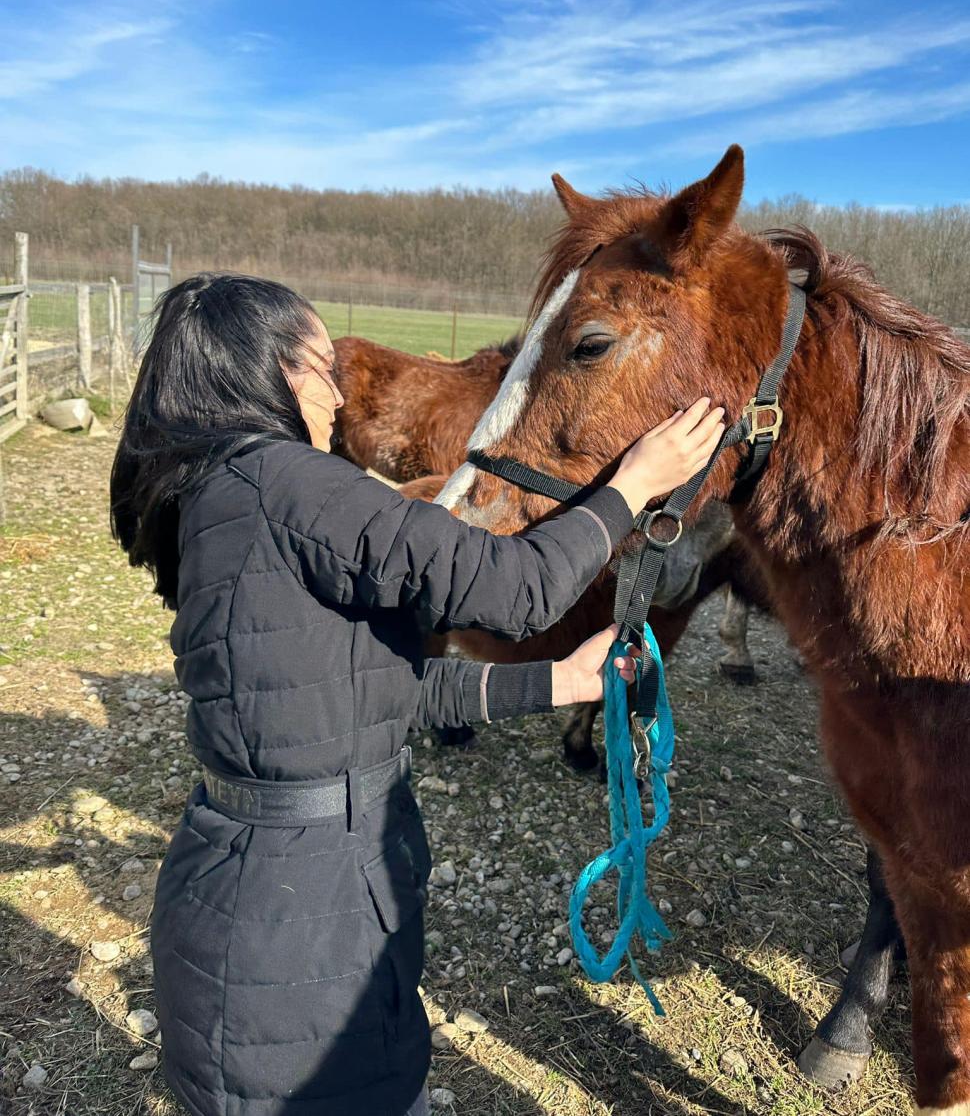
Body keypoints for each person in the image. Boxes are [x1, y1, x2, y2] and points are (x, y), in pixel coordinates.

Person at [110, 272, 726, 1116]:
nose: (336, 393)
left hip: (258, 899)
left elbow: (373, 689)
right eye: (322, 366)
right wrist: (633, 485)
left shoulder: (217, 499)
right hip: (310, 928)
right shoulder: (292, 483)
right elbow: (517, 589)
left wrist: (563, 681)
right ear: (271, 369)